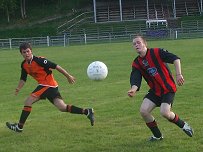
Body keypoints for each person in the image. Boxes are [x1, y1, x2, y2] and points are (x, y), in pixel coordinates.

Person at [6, 42, 94, 133]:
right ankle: (87, 111)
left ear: (31, 51)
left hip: (48, 84)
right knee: (62, 107)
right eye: (24, 52)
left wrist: (68, 76)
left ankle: (19, 127)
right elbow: (23, 78)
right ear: (21, 53)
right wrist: (18, 88)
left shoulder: (39, 60)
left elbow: (56, 66)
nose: (26, 53)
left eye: (28, 51)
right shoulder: (24, 64)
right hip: (49, 86)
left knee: (28, 101)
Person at [127, 35, 193, 141]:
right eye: (134, 44)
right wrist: (133, 89)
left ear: (145, 43)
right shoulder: (136, 63)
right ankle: (158, 136)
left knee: (165, 113)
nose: (136, 45)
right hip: (155, 91)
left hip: (168, 89)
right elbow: (136, 79)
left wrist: (179, 74)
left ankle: (183, 125)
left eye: (138, 42)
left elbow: (176, 59)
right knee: (144, 111)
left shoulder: (157, 52)